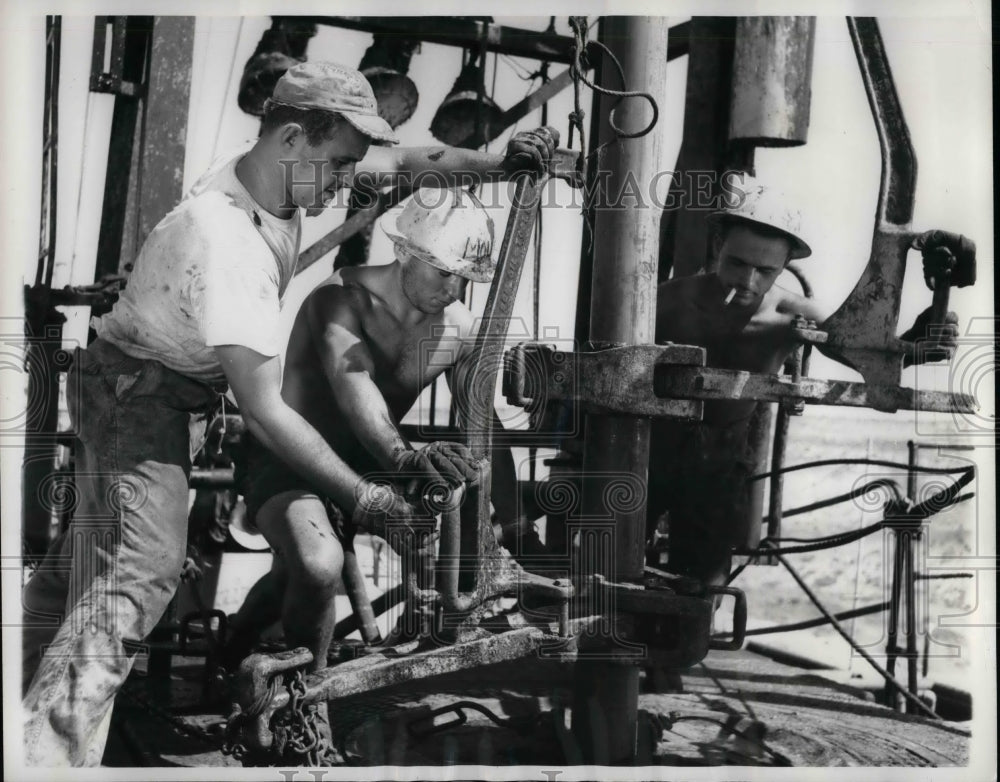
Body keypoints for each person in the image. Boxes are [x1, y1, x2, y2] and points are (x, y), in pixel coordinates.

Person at [19, 58, 549, 767]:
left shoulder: (285, 169)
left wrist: (497, 162)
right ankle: (43, 761)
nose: (346, 185)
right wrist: (368, 498)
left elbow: (408, 158)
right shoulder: (227, 239)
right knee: (136, 577)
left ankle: (14, 704)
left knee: (75, 577)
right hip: (137, 398)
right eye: (337, 168)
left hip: (149, 386)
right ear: (294, 138)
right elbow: (266, 411)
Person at [223, 172, 558, 672]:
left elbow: (482, 427)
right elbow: (353, 385)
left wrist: (514, 528)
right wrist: (405, 459)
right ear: (404, 252)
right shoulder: (339, 300)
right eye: (443, 271)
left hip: (377, 468)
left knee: (441, 564)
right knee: (316, 567)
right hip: (290, 462)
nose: (454, 288)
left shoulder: (460, 332)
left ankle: (239, 654)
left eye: (465, 277)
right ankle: (304, 703)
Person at [648, 175, 965, 585]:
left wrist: (922, 338)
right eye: (737, 264)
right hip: (650, 447)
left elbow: (875, 357)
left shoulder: (791, 314)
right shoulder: (663, 301)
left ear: (783, 267)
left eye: (764, 271)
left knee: (701, 584)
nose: (747, 282)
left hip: (722, 461)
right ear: (717, 248)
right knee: (613, 563)